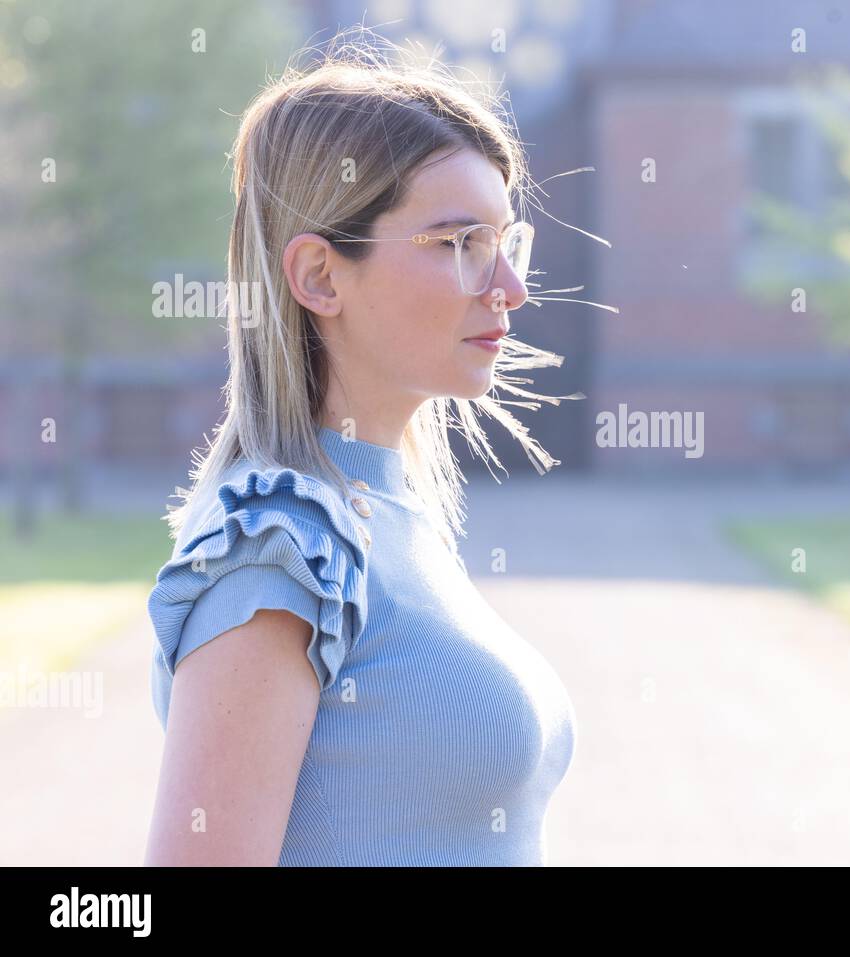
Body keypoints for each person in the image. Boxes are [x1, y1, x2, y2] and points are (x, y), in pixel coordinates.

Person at [143, 31, 579, 866]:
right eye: (459, 244)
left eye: (504, 242)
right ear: (319, 277)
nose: (511, 288)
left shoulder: (394, 516)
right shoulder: (279, 544)